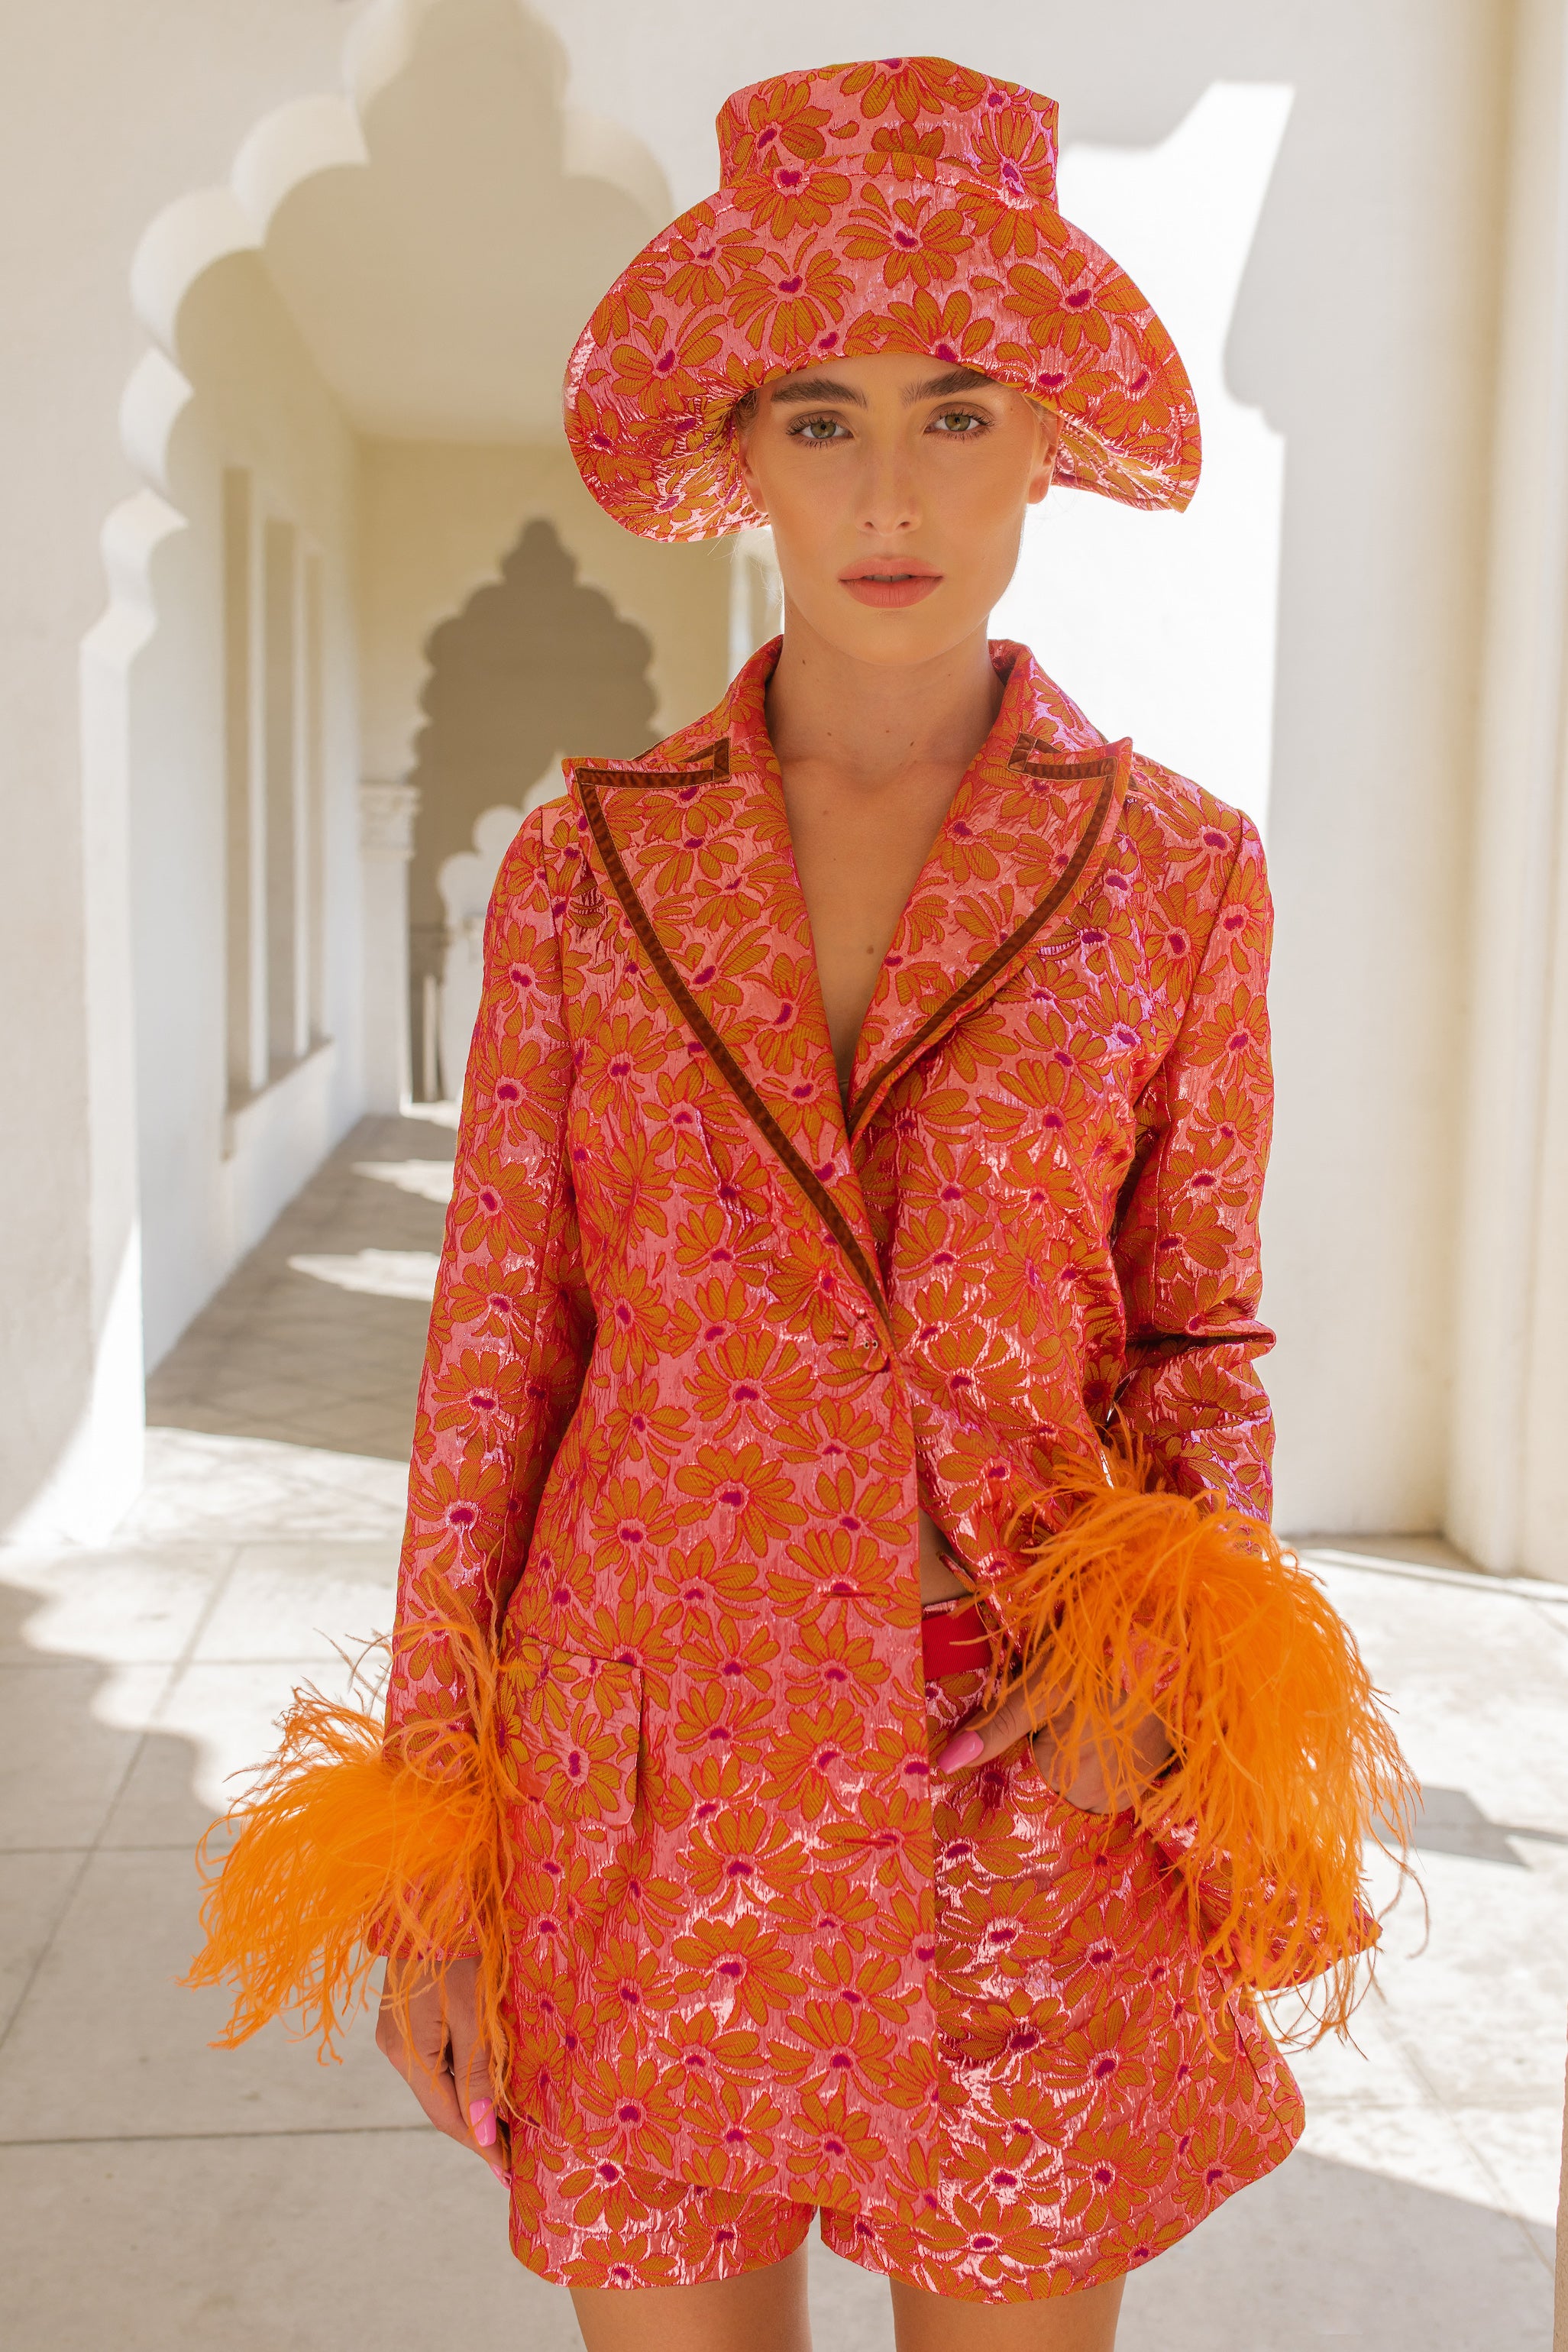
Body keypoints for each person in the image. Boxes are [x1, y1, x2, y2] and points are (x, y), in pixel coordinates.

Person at [191, 57, 1411, 2352]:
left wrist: (1170, 1679)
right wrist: (437, 1857)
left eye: (957, 412)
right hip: (645, 1798)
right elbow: (492, 1374)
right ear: (735, 451)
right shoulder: (585, 862)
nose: (890, 488)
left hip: (1024, 1784)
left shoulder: (1173, 877)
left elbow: (1197, 1339)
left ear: (1047, 438)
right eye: (822, 415)